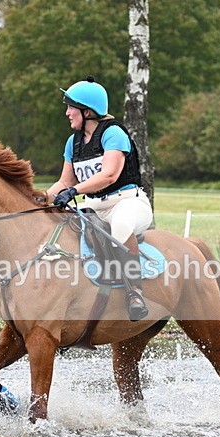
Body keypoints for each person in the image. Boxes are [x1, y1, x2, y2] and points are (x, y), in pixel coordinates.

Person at [46, 76, 153, 321]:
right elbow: (64, 182)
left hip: (127, 201)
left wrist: (74, 191)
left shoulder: (113, 133)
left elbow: (109, 174)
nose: (67, 113)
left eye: (71, 107)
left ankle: (134, 292)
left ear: (88, 111)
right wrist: (40, 199)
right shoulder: (72, 142)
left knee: (121, 224)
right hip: (93, 206)